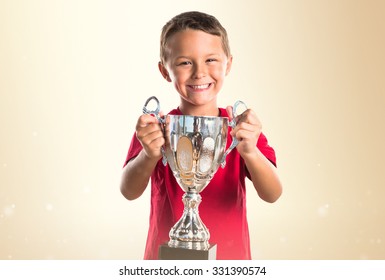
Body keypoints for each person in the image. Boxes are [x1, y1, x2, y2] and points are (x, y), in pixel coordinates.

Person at [120, 11, 282, 260]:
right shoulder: (156, 128)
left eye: (211, 60)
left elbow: (272, 194)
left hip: (229, 261)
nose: (199, 72)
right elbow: (128, 191)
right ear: (165, 71)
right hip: (166, 260)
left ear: (228, 63)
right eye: (185, 62)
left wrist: (250, 151)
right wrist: (148, 154)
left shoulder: (240, 128)